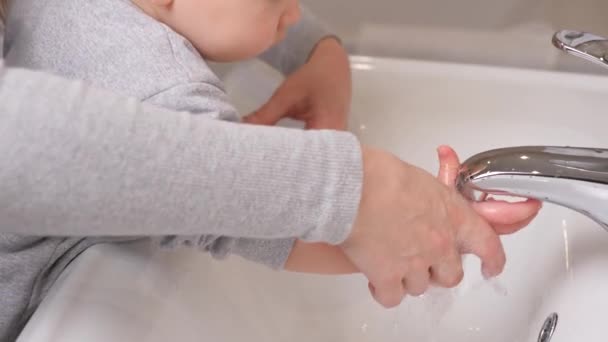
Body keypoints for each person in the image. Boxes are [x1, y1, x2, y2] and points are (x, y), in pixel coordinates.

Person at [0, 0, 541, 340]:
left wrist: (320, 54)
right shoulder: (166, 95)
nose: (294, 12)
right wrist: (428, 227)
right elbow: (274, 228)